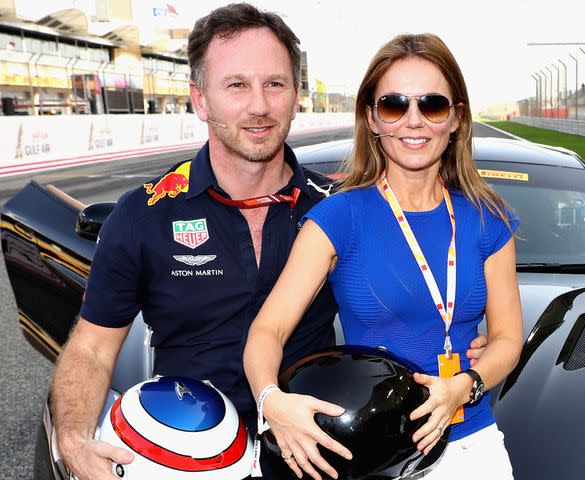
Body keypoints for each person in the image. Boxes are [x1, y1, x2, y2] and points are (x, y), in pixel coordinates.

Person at [50, 5, 488, 479]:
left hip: (314, 458)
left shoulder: (342, 211)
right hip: (184, 457)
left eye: (275, 84)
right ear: (200, 99)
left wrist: (465, 344)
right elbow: (92, 347)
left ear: (295, 95)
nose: (259, 105)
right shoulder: (144, 214)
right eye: (236, 85)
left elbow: (422, 293)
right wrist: (73, 439)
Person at [243, 33, 523, 480]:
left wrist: (462, 387)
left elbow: (508, 339)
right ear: (373, 119)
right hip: (367, 453)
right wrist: (270, 401)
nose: (414, 121)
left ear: (455, 119)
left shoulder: (489, 218)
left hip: (471, 442)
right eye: (395, 105)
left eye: (432, 105)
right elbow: (267, 330)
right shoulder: (339, 217)